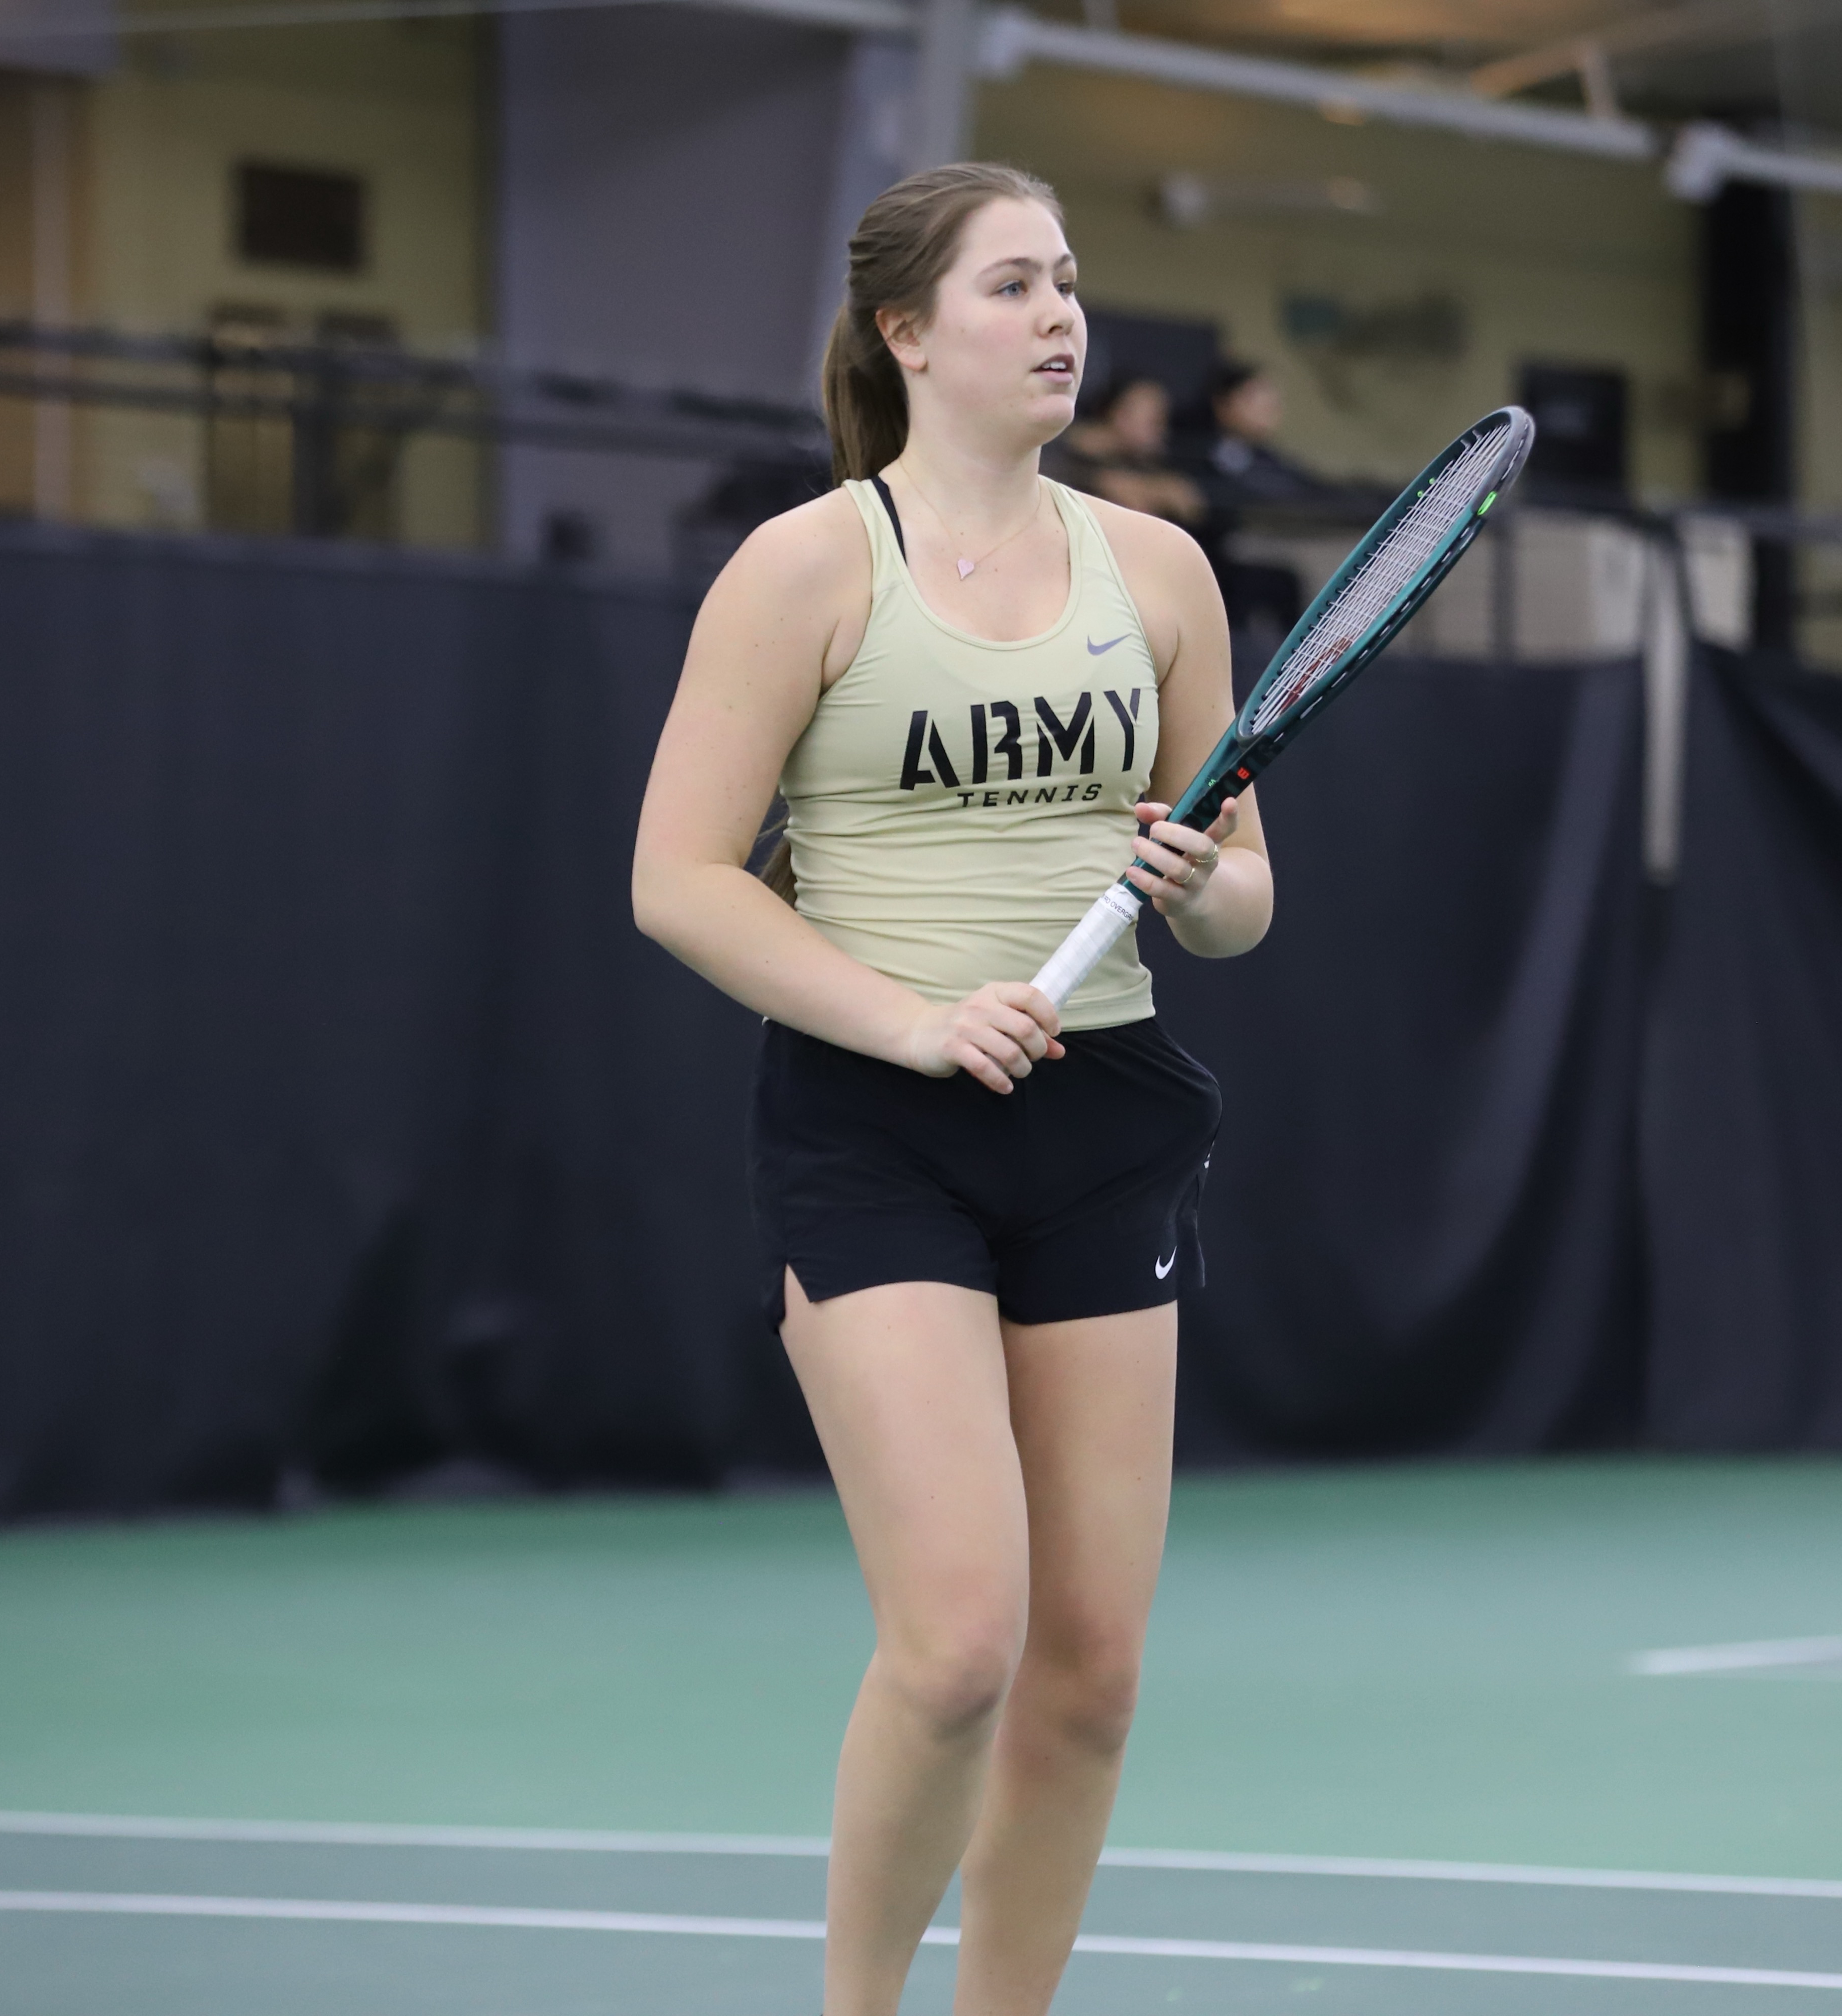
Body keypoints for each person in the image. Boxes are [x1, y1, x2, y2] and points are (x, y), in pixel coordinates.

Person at [630, 162, 1270, 2016]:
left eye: (1068, 282)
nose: (1059, 316)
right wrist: (905, 1022)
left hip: (1104, 1118)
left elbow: (1243, 898)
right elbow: (678, 877)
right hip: (874, 1127)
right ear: (908, 330)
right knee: (960, 1642)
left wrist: (1199, 875)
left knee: (1087, 1667)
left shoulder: (1156, 571)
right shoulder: (807, 566)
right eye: (1012, 286)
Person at [1192, 359, 1332, 636]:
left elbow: (1306, 487)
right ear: (1224, 405)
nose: (1269, 405)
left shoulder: (1267, 459)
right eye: (1255, 396)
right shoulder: (1195, 452)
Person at [1043, 372, 1207, 530]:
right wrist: (1100, 481)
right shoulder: (1058, 448)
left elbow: (1191, 509)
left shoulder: (1148, 465)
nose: (1162, 430)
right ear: (1120, 414)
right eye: (1154, 420)